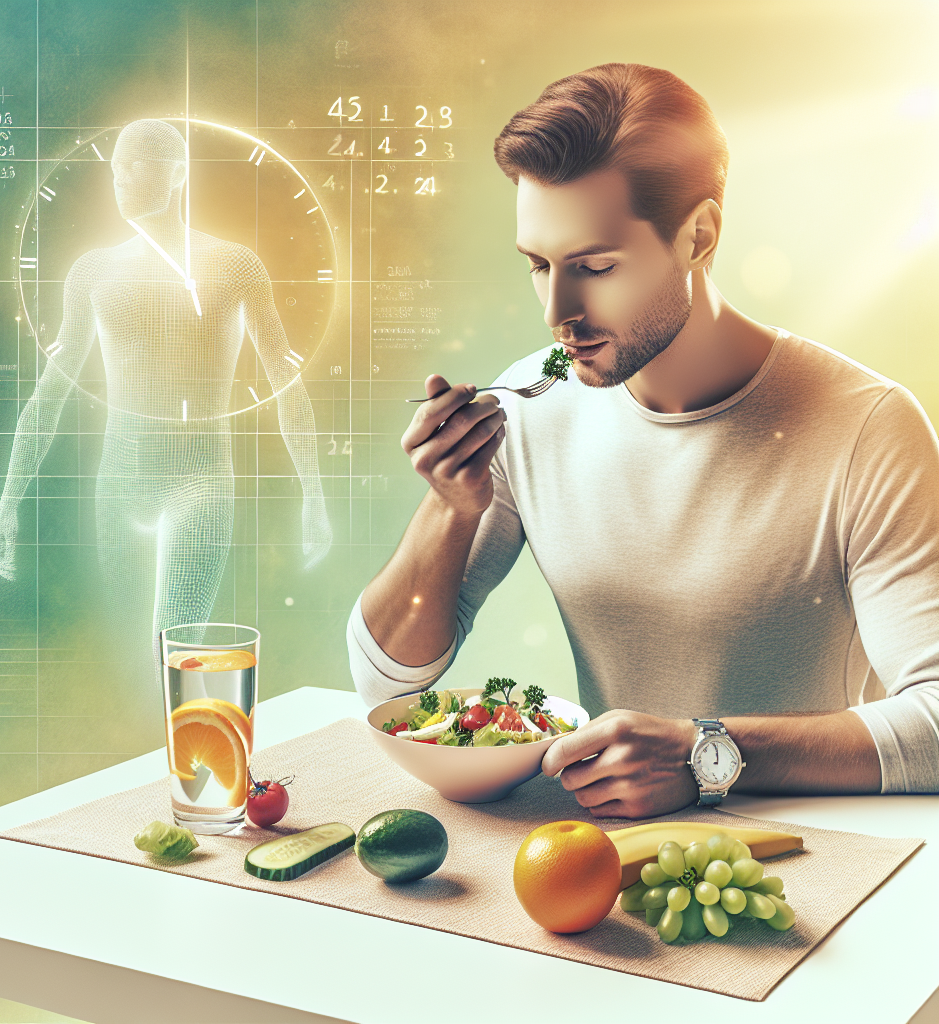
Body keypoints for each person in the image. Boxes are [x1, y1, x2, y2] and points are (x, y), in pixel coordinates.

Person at [347, 63, 939, 817]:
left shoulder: (867, 426)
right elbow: (386, 688)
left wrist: (704, 754)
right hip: (605, 854)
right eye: (538, 265)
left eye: (595, 267)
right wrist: (450, 509)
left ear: (699, 235)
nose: (559, 310)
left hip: (821, 860)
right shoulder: (530, 404)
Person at [0, 119, 332, 690]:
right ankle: (162, 765)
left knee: (171, 653)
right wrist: (7, 506)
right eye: (115, 165)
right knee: (128, 672)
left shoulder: (234, 266)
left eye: (133, 163)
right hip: (118, 483)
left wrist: (313, 495)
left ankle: (192, 771)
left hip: (200, 480)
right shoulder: (93, 271)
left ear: (175, 175)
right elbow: (49, 395)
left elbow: (285, 385)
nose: (118, 177)